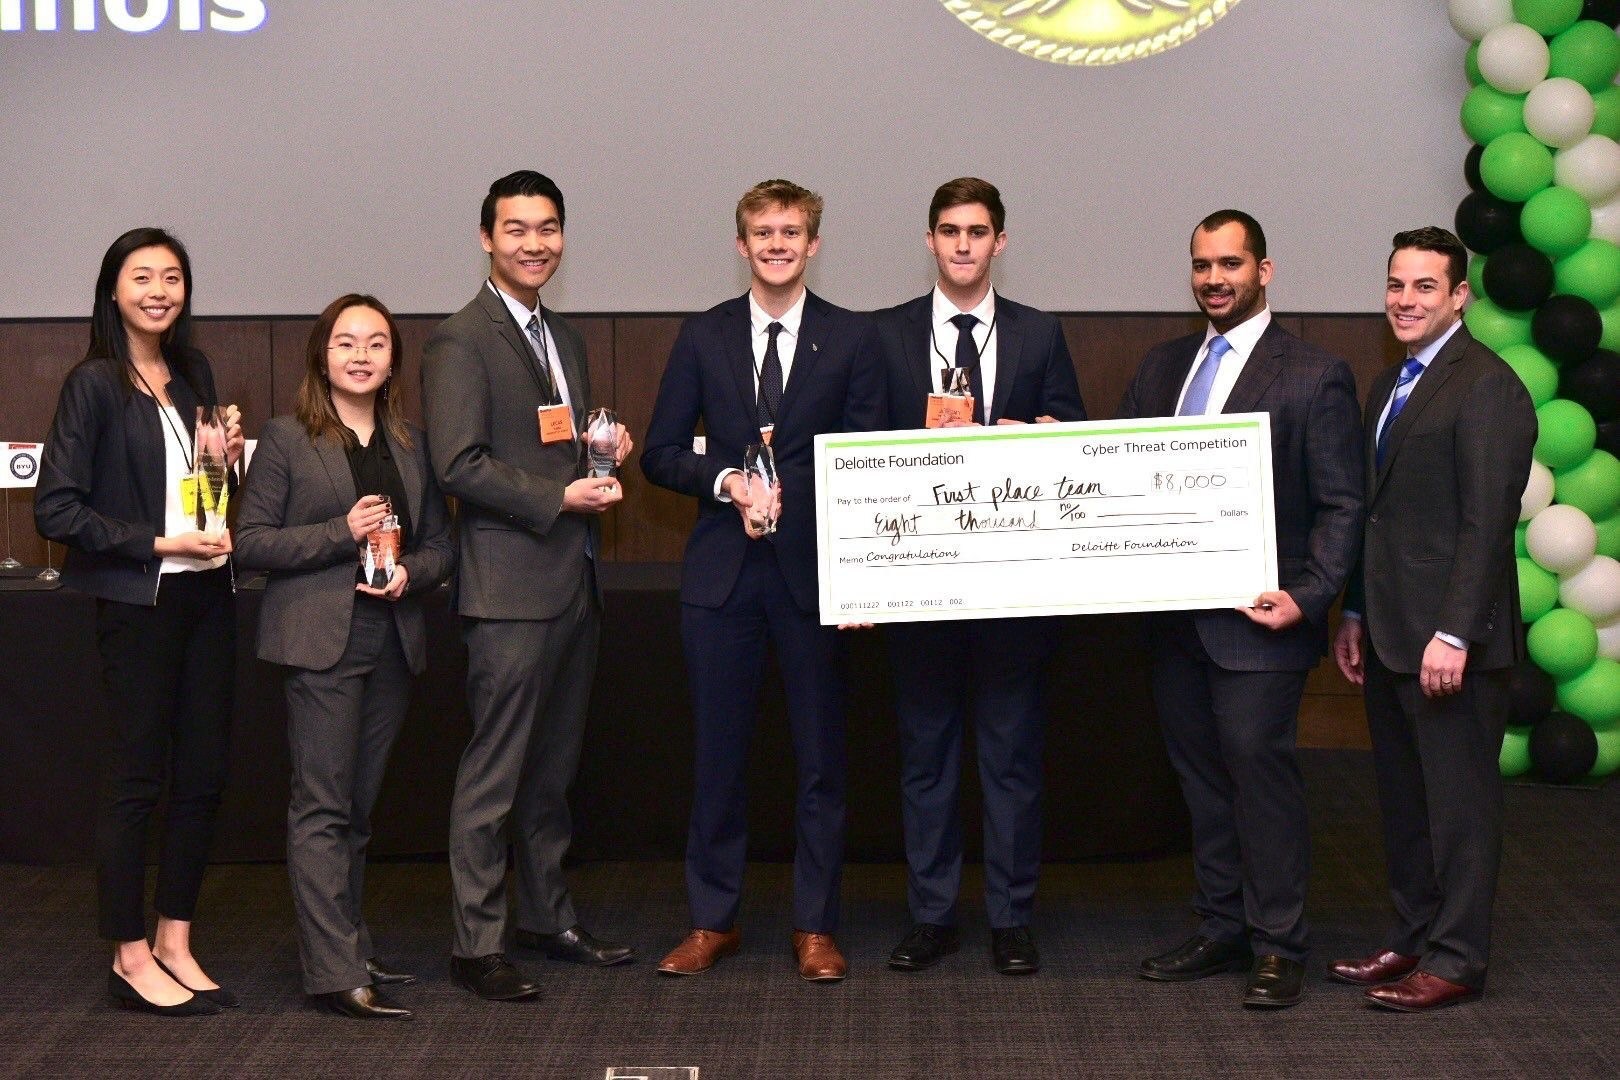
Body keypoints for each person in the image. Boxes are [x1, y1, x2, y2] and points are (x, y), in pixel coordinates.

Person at [641, 179, 884, 982]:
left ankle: (816, 928)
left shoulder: (852, 339)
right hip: (722, 581)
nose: (777, 245)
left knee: (822, 763)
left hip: (817, 578)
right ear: (741, 246)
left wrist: (803, 509)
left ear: (813, 245)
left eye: (791, 233)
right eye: (762, 233)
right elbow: (662, 451)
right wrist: (728, 483)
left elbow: (869, 458)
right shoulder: (703, 335)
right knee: (718, 757)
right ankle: (713, 921)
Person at [1119, 211, 1363, 1008]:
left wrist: (1311, 596)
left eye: (1230, 264)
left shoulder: (1312, 373)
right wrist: (1032, 443)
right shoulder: (1161, 369)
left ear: (1265, 270)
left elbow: (1342, 504)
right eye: (1201, 265)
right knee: (1200, 782)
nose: (1214, 278)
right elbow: (1112, 466)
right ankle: (1222, 925)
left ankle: (1279, 943)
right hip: (1176, 621)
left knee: (1261, 779)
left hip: (1262, 622)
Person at [423, 170, 634, 1002]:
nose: (535, 243)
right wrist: (559, 497)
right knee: (496, 775)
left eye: (548, 228)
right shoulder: (459, 340)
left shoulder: (565, 338)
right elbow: (457, 463)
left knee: (552, 770)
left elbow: (553, 444)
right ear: (486, 237)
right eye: (516, 229)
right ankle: (477, 945)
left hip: (571, 581)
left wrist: (600, 458)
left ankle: (548, 918)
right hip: (506, 590)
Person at [871, 178, 1086, 976]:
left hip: (1013, 590)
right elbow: (859, 452)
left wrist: (1045, 432)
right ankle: (930, 915)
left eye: (978, 232)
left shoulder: (1038, 333)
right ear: (930, 241)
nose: (964, 245)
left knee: (1010, 760)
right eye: (950, 231)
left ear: (1001, 242)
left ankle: (1010, 917)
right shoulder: (887, 335)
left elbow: (1072, 431)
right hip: (919, 589)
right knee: (926, 758)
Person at [35, 227, 244, 1016]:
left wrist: (224, 461)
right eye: (143, 277)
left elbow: (203, 488)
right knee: (135, 780)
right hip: (140, 600)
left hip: (209, 594)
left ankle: (175, 941)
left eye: (174, 278)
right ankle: (128, 955)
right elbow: (58, 507)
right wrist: (157, 543)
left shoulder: (193, 374)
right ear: (114, 289)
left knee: (204, 774)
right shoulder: (93, 383)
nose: (160, 290)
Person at [1330, 227, 1535, 1012]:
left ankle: (1456, 960)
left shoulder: (1487, 386)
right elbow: (1376, 518)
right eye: (1395, 285)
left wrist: (1454, 632)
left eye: (1424, 287)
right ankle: (1412, 936)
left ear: (1459, 297)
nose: (1405, 301)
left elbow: (1487, 524)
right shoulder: (1389, 387)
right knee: (1407, 802)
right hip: (1387, 633)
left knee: (1459, 810)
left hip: (1452, 645)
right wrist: (1352, 610)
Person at [235, 294, 454, 1020]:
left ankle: (350, 947)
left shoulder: (412, 442)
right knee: (322, 806)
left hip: (391, 638)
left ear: (394, 358)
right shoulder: (287, 437)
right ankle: (332, 972)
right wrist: (340, 529)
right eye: (345, 343)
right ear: (321, 355)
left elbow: (441, 550)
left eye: (377, 344)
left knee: (358, 809)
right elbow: (254, 542)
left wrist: (409, 577)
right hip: (321, 642)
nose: (361, 355)